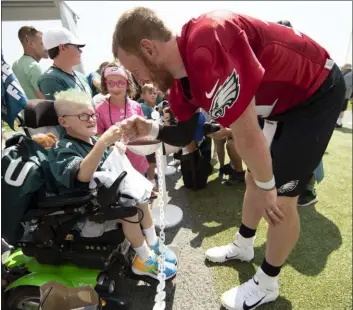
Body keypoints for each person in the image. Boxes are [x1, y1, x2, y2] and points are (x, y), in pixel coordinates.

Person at [113, 8, 346, 309]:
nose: (137, 79)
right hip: (281, 103)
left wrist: (269, 186)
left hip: (314, 92)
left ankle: (268, 282)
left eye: (134, 69)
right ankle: (244, 245)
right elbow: (185, 134)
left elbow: (246, 134)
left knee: (281, 198)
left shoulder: (207, 39)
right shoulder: (180, 81)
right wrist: (152, 128)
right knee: (255, 176)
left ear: (148, 48)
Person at [48, 89, 177, 280]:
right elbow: (82, 176)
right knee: (129, 208)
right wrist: (104, 142)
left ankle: (152, 241)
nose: (91, 119)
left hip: (103, 199)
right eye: (83, 115)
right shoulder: (63, 148)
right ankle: (143, 259)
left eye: (92, 114)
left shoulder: (91, 141)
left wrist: (112, 148)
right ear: (64, 122)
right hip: (83, 211)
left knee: (139, 196)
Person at [95, 62, 149, 177]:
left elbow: (144, 131)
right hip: (116, 165)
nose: (115, 88)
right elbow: (97, 134)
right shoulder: (99, 109)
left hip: (138, 162)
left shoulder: (136, 106)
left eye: (121, 83)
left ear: (127, 84)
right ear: (105, 84)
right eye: (110, 83)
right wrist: (110, 144)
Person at [38, 27, 92, 100]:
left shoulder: (81, 77)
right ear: (62, 48)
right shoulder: (49, 79)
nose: (81, 51)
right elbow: (62, 110)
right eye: (77, 47)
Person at [12, 26, 48, 100]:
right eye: (43, 43)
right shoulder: (34, 67)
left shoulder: (16, 65)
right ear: (31, 44)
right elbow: (47, 100)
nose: (47, 47)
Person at [336, 64, 352, 128]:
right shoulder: (347, 74)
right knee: (340, 109)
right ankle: (338, 122)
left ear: (347, 69)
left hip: (344, 95)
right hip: (343, 95)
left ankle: (338, 123)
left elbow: (345, 86)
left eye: (343, 68)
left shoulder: (349, 75)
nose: (342, 69)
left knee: (341, 109)